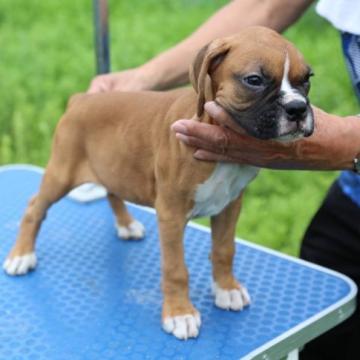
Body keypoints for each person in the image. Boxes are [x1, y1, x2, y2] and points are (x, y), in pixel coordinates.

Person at [88, 1, 360, 358]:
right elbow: (265, 7)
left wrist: (345, 145)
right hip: (352, 204)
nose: (294, 103)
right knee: (327, 320)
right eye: (255, 82)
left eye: (301, 83)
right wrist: (144, 77)